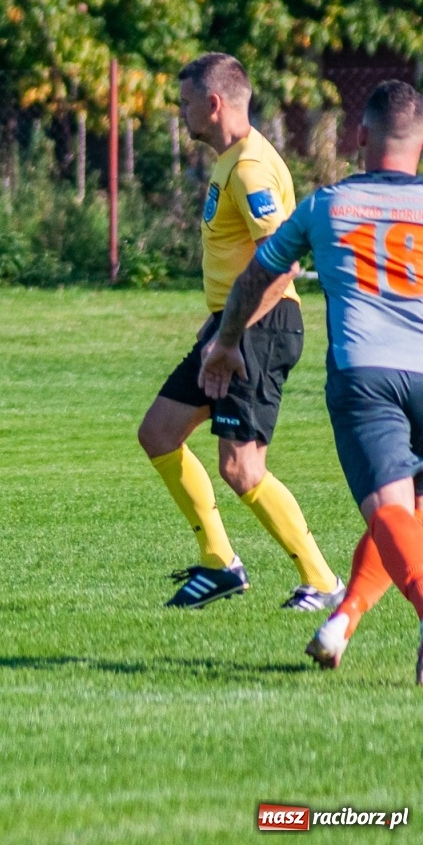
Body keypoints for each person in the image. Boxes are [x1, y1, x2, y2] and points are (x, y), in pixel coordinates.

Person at [200, 80, 423, 681]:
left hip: (367, 376)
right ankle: (342, 620)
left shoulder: (328, 205)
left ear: (360, 136)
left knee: (391, 512)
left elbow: (259, 274)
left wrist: (225, 343)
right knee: (409, 519)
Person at [136, 53, 343, 610]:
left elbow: (281, 265)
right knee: (159, 432)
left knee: (241, 467)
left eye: (185, 103)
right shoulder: (231, 160)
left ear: (214, 103)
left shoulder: (250, 168)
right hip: (229, 325)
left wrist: (229, 340)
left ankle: (323, 582)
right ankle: (219, 563)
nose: (180, 113)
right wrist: (219, 329)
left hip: (260, 327)